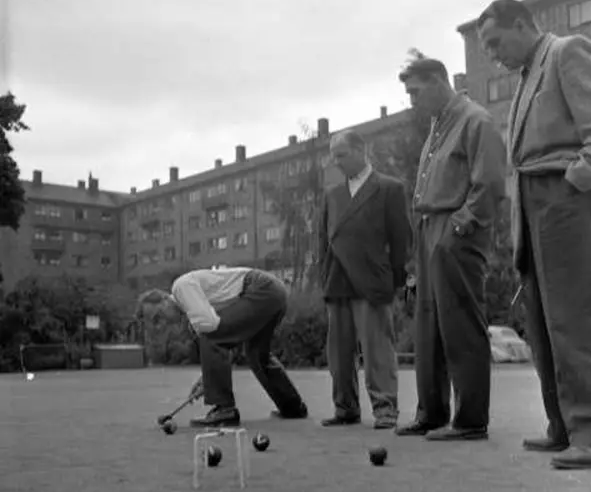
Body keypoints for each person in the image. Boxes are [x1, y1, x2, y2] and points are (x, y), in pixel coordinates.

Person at [477, 0, 591, 469]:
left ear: (523, 24)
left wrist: (573, 184)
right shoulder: (526, 76)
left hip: (563, 201)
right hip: (532, 207)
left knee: (574, 321)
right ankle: (562, 426)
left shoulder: (567, 51)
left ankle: (589, 432)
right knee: (542, 322)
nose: (492, 55)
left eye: (495, 42)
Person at [396, 56, 505, 441]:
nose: (412, 101)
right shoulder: (438, 125)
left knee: (460, 323)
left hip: (455, 229)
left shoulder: (475, 120)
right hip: (429, 229)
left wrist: (460, 225)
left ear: (438, 82)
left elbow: (490, 182)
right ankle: (431, 413)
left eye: (415, 92)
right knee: (428, 325)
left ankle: (471, 420)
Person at [318, 129, 412, 429]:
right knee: (339, 353)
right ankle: (345, 407)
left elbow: (401, 239)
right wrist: (324, 277)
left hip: (372, 281)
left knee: (377, 350)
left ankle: (385, 409)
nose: (337, 162)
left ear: (361, 151)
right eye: (334, 157)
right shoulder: (332, 194)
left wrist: (396, 279)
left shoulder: (389, 188)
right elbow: (322, 241)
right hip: (337, 280)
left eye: (342, 155)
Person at [136, 267, 308, 427]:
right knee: (256, 354)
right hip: (273, 292)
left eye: (158, 316)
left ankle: (224, 410)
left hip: (262, 289)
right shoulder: (192, 308)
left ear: (166, 300)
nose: (162, 323)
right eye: (155, 323)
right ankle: (292, 407)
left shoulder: (180, 288)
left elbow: (212, 329)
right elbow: (223, 334)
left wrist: (210, 382)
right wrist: (207, 379)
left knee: (211, 337)